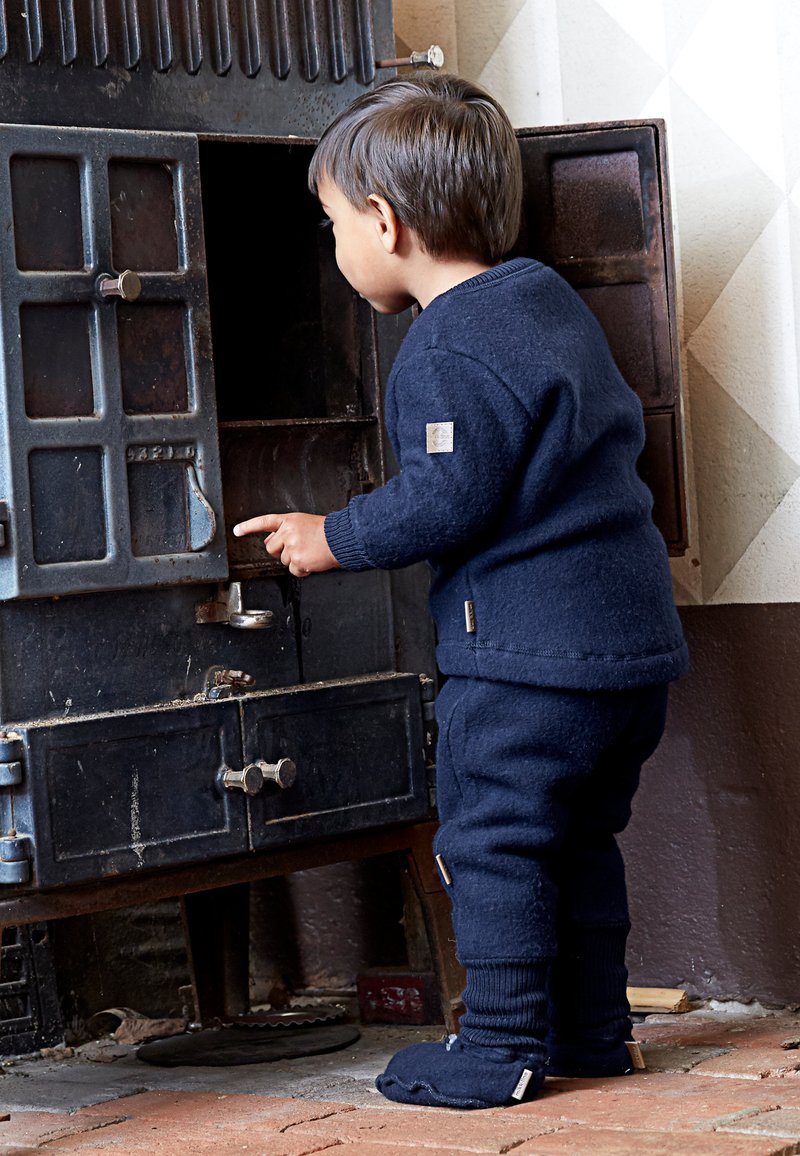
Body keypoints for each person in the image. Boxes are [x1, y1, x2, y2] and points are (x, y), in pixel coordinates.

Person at [233, 72, 688, 1110]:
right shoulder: (546, 303)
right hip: (625, 660)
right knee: (572, 840)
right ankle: (590, 1032)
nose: (336, 247)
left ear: (384, 224)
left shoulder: (445, 343)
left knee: (489, 839)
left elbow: (450, 493)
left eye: (333, 223)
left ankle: (497, 1046)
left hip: (528, 660)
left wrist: (330, 536)